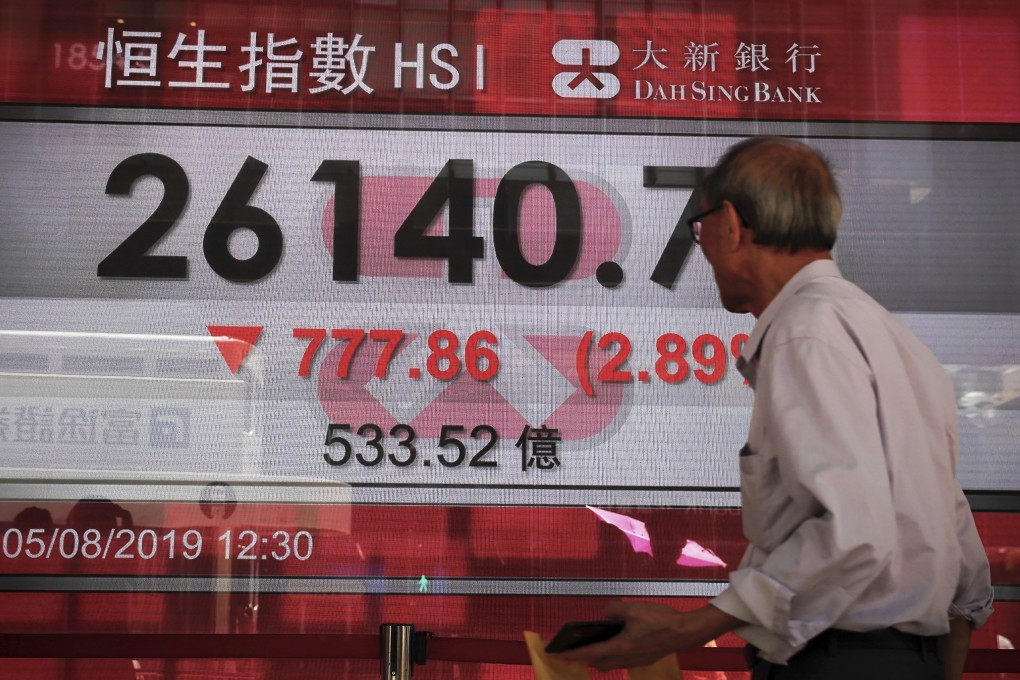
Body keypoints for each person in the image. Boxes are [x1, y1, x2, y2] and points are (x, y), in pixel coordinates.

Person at [558, 137, 994, 679]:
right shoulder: (895, 339)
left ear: (731, 224)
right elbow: (961, 559)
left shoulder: (803, 333)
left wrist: (687, 629)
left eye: (699, 227)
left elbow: (854, 529)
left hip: (837, 664)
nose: (703, 247)